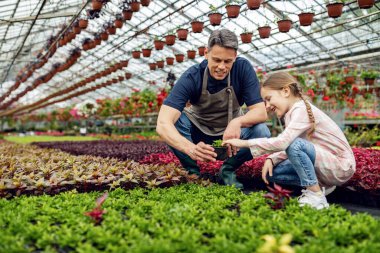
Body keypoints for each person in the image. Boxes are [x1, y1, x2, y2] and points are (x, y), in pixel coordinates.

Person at [156, 29, 270, 189]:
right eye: (216, 60)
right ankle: (193, 172)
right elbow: (162, 123)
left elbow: (261, 112)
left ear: (235, 58)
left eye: (228, 61)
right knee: (174, 123)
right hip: (199, 133)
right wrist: (191, 148)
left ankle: (227, 170)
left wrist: (237, 122)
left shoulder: (243, 69)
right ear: (206, 53)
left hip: (232, 136)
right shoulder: (193, 76)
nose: (222, 67)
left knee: (261, 131)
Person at [223, 72, 356, 209]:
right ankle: (322, 185)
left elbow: (286, 143)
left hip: (341, 166)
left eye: (269, 99)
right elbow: (290, 145)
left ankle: (315, 195)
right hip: (325, 163)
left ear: (286, 91)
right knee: (273, 172)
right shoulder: (292, 113)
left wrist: (243, 143)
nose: (267, 106)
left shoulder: (300, 109)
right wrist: (272, 159)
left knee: (294, 145)